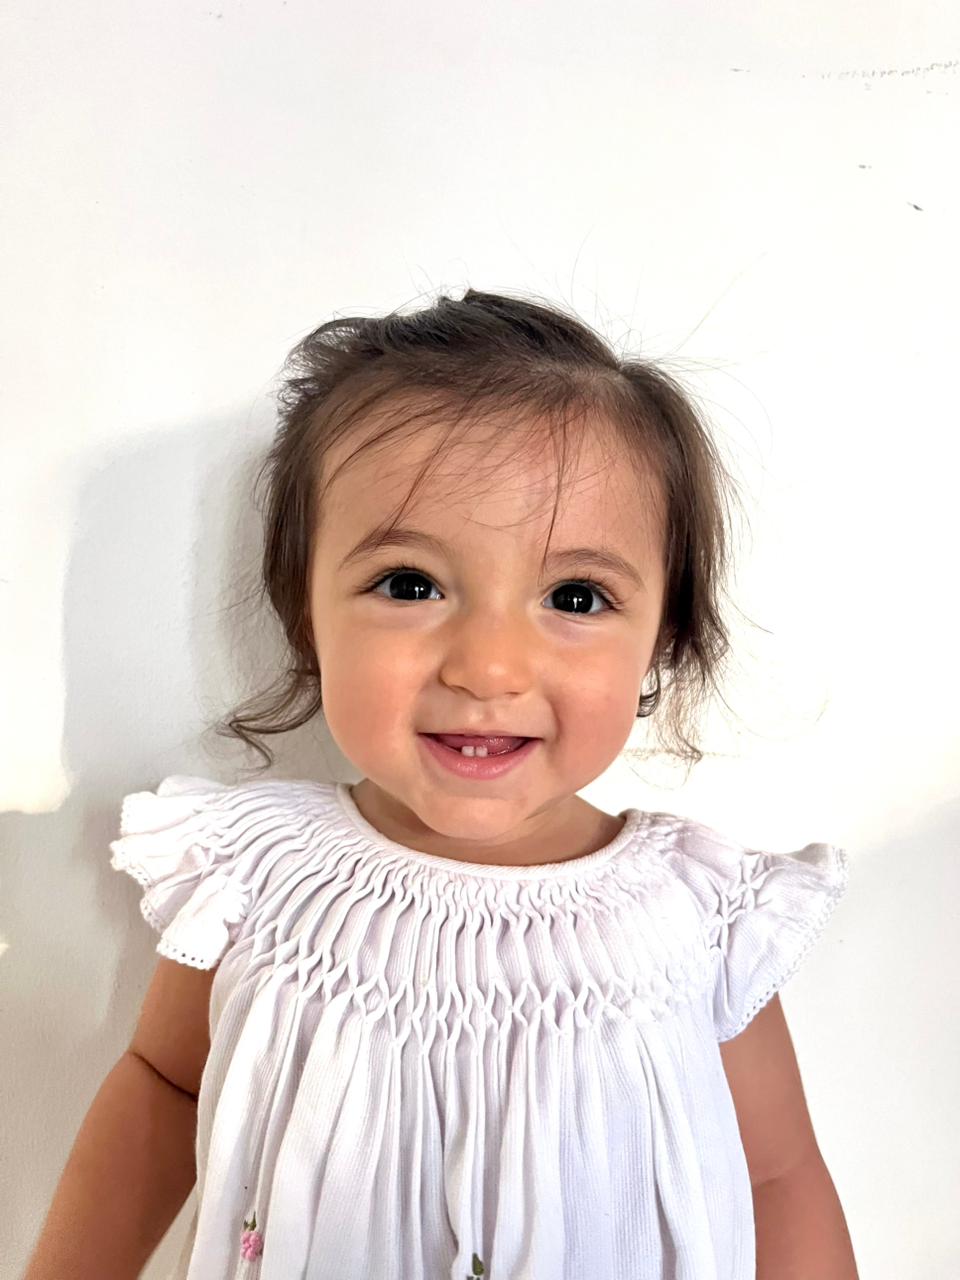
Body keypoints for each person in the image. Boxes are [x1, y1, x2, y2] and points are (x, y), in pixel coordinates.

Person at [24, 289, 858, 1279]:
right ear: (306, 614)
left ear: (662, 636)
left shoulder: (700, 912)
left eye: (575, 596)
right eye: (411, 584)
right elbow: (164, 1086)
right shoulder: (249, 877)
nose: (488, 667)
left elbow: (778, 1175)